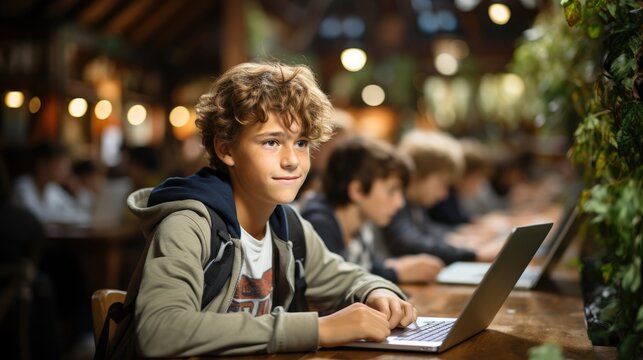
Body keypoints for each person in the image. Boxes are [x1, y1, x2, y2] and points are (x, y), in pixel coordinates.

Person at [110, 62, 416, 358]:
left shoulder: (287, 224)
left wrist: (379, 292)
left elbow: (347, 277)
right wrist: (318, 330)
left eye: (302, 143)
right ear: (225, 149)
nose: (292, 160)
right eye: (271, 142)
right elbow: (160, 331)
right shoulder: (189, 224)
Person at [300, 135, 444, 284]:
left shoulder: (362, 225)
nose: (400, 203)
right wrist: (395, 273)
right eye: (392, 190)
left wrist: (397, 265)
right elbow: (332, 282)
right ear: (357, 191)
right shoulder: (318, 223)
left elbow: (363, 265)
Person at [383, 130, 502, 264]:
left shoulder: (415, 204)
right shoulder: (396, 202)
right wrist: (472, 254)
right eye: (442, 184)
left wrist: (459, 234)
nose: (444, 194)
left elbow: (427, 229)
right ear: (419, 174)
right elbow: (409, 243)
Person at [11, 140, 89, 225]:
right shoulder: (22, 187)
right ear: (42, 164)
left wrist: (78, 192)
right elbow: (35, 217)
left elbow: (77, 212)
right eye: (61, 164)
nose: (65, 171)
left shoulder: (53, 189)